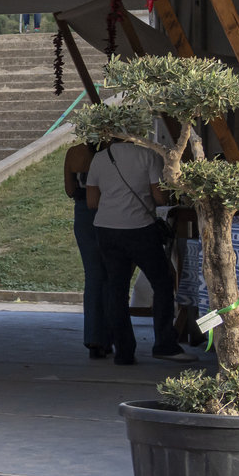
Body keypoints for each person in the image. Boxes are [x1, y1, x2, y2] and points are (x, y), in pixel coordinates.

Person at [86, 139, 197, 366]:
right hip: (140, 229)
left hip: (106, 229)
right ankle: (165, 344)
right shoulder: (148, 156)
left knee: (116, 290)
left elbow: (91, 201)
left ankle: (124, 352)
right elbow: (159, 197)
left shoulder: (100, 158)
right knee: (163, 284)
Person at [64, 141, 112, 358]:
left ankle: (93, 336)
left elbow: (70, 189)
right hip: (112, 210)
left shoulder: (74, 153)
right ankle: (111, 335)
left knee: (93, 275)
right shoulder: (109, 154)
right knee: (113, 276)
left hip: (83, 212)